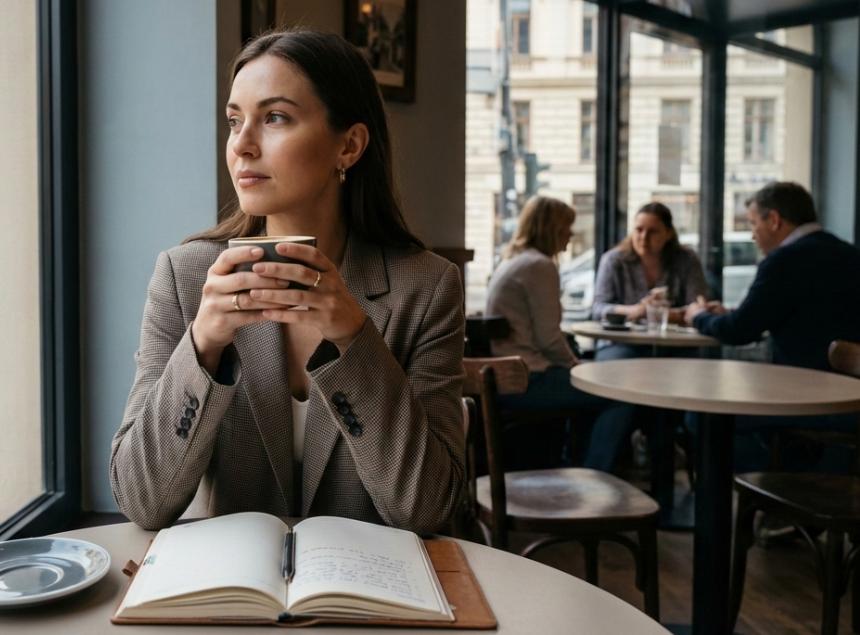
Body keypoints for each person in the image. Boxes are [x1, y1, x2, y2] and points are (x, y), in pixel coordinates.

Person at [110, 29, 467, 534]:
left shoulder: (426, 289)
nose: (242, 145)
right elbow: (142, 501)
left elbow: (430, 509)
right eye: (235, 121)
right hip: (234, 597)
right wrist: (203, 346)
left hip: (371, 598)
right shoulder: (186, 278)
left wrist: (355, 340)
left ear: (349, 145)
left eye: (274, 117)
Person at [685, 182, 860, 472]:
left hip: (810, 401)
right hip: (850, 401)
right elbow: (803, 315)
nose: (752, 234)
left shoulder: (784, 260)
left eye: (754, 223)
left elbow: (739, 332)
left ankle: (785, 481)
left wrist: (697, 316)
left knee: (700, 417)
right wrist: (731, 313)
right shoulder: (849, 254)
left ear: (775, 219)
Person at [486, 196, 634, 472]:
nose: (570, 233)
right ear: (551, 228)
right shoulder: (539, 266)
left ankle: (577, 466)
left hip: (508, 377)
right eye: (566, 226)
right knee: (619, 394)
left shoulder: (515, 261)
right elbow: (549, 339)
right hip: (528, 379)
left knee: (598, 389)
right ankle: (596, 478)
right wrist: (578, 369)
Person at [592, 202, 709, 360]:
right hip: (622, 342)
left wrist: (657, 313)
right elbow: (599, 309)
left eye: (653, 231)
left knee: (692, 369)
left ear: (668, 233)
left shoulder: (686, 260)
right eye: (639, 230)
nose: (644, 238)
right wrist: (637, 310)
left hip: (675, 344)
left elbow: (699, 308)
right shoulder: (614, 260)